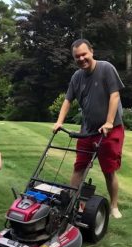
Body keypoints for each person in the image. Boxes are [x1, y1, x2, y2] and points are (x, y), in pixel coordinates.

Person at [53, 39, 124, 219]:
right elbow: (68, 100)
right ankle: (70, 204)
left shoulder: (106, 68)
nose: (81, 58)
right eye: (77, 57)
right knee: (79, 168)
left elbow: (114, 95)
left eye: (84, 54)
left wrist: (108, 122)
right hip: (88, 130)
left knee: (109, 171)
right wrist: (59, 121)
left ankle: (114, 205)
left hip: (111, 130)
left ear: (91, 51)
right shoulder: (77, 77)